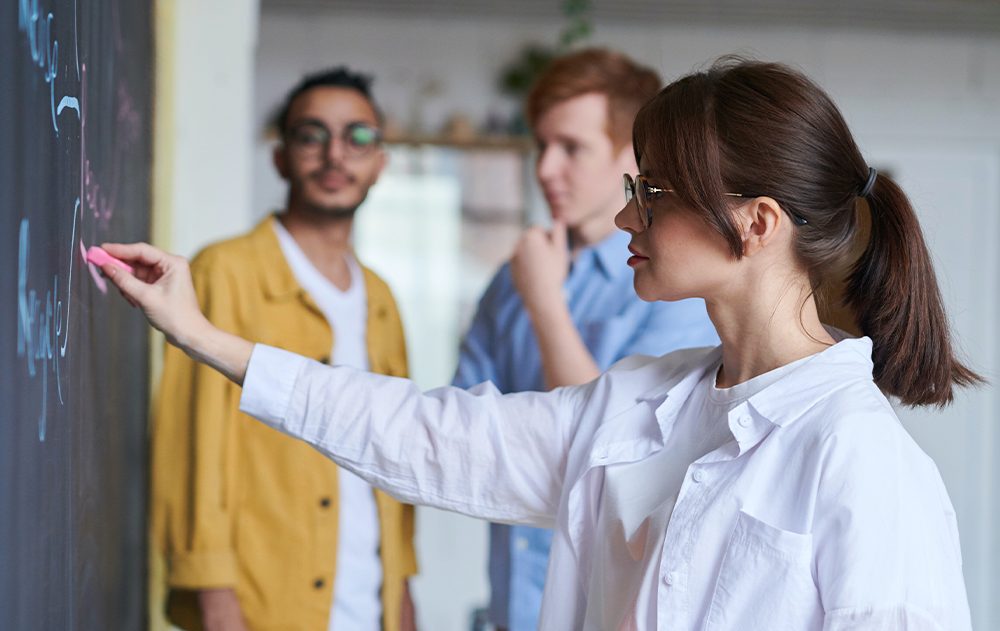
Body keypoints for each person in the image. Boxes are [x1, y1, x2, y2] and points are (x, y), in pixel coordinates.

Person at [107, 58, 977, 630]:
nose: (626, 214)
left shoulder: (864, 463)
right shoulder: (641, 399)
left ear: (755, 223)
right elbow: (430, 434)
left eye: (654, 191)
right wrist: (207, 337)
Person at [453, 49, 719, 631]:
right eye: (541, 145)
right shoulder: (512, 278)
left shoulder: (678, 285)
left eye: (571, 148)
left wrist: (545, 303)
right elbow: (467, 427)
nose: (546, 168)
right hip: (508, 609)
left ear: (630, 155)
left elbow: (613, 447)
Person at [149, 68, 417, 631]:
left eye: (358, 138)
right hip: (263, 602)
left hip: (371, 605)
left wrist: (404, 588)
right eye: (311, 135)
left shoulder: (382, 299)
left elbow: (396, 447)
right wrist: (213, 596)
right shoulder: (226, 272)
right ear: (280, 157)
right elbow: (192, 444)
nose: (335, 156)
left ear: (380, 163)